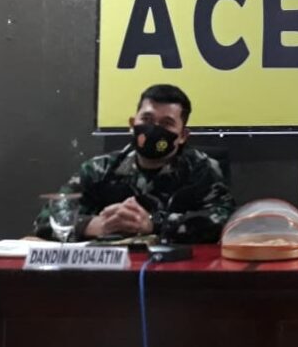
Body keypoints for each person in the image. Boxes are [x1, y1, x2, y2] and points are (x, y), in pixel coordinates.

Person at [33, 84, 235, 243]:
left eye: (166, 123)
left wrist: (153, 224)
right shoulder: (99, 169)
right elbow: (46, 220)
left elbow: (225, 221)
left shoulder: (201, 169)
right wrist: (97, 225)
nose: (154, 129)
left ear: (183, 136)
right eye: (147, 119)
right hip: (108, 273)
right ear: (132, 125)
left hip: (176, 271)